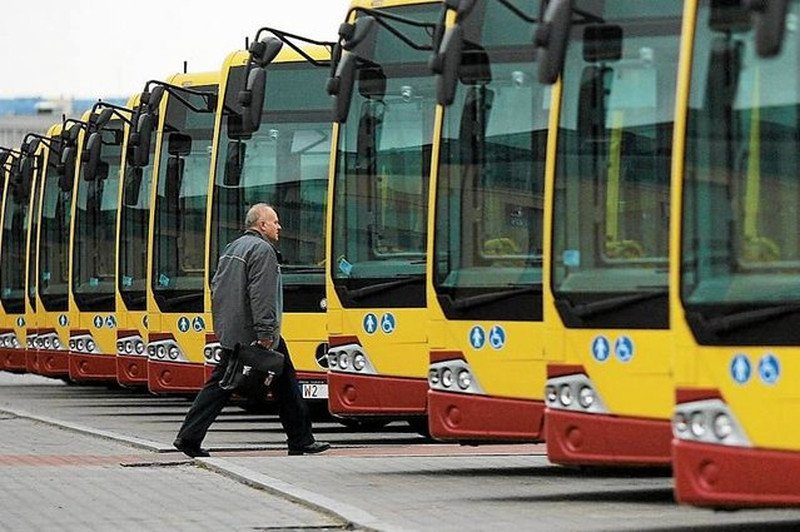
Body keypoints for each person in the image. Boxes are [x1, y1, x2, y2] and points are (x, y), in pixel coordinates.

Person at [173, 203, 330, 457]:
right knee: (221, 386)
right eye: (275, 222)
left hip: (235, 331)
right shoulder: (263, 250)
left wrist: (224, 328)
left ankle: (301, 439)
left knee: (285, 382)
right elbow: (262, 295)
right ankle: (188, 437)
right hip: (253, 334)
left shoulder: (232, 248)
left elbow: (217, 289)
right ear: (262, 224)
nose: (279, 227)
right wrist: (266, 333)